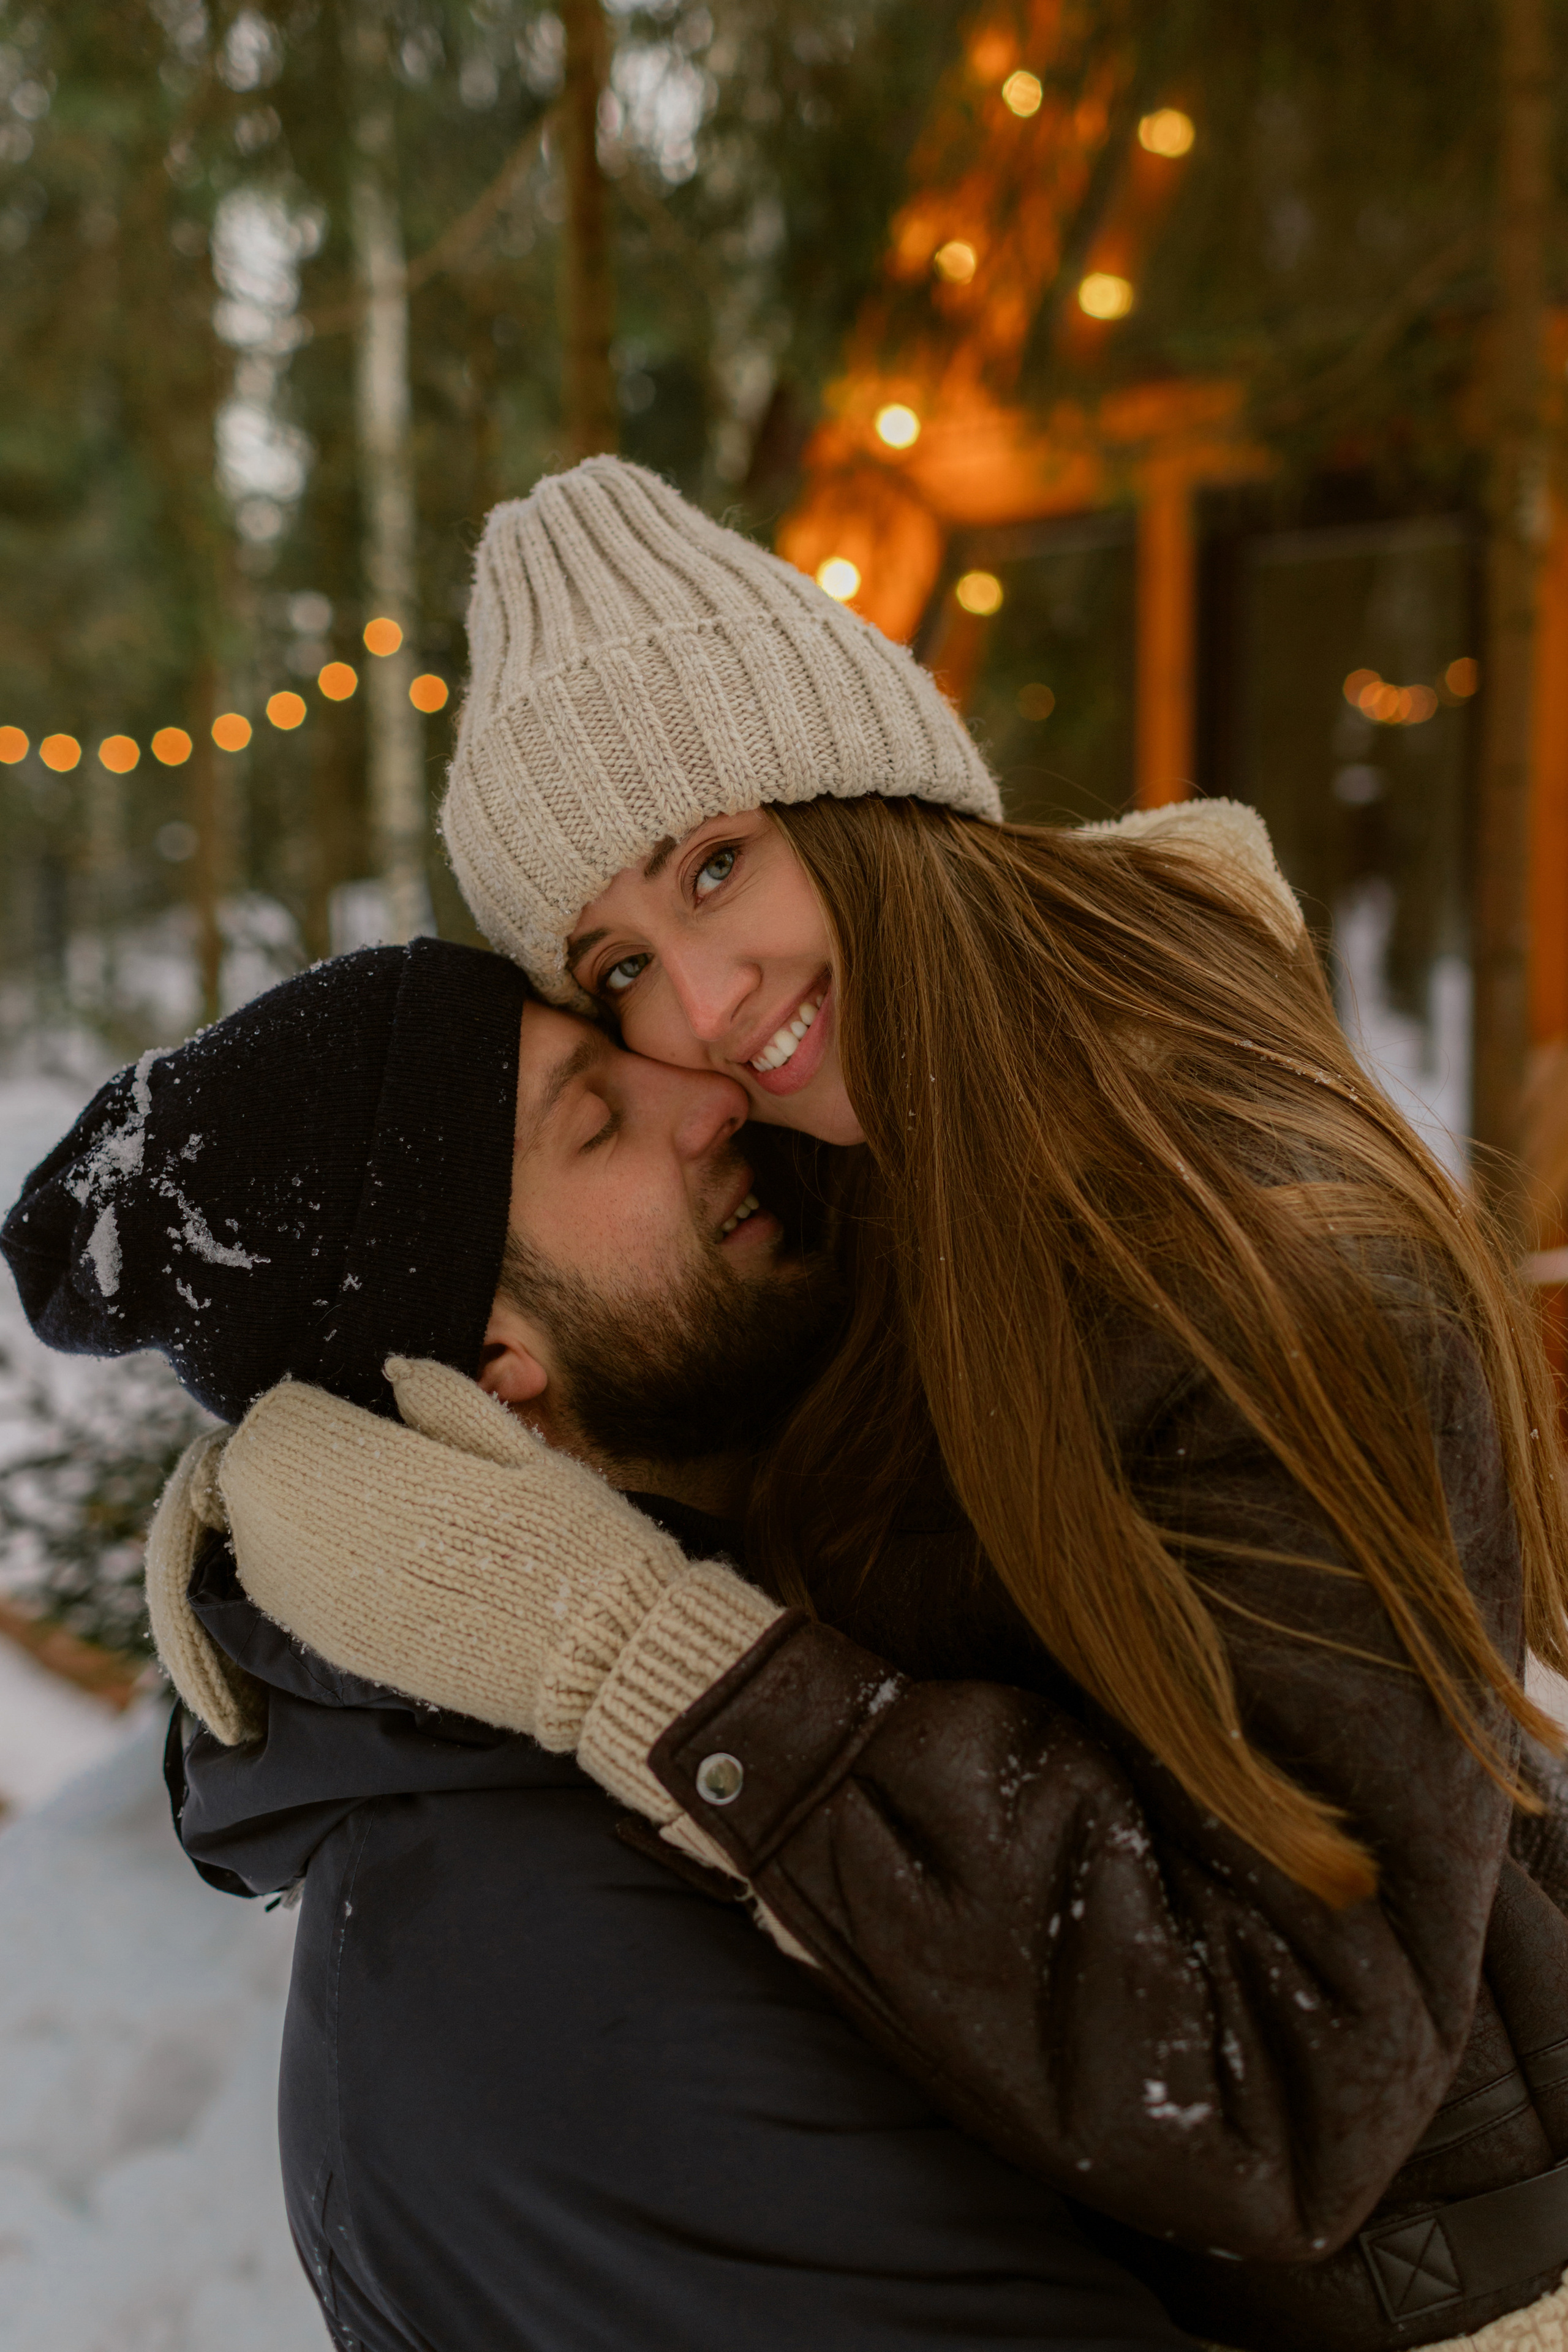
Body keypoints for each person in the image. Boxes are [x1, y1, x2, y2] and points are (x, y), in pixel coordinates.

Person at [200, 457, 1568, 2352]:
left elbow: (1293, 2086)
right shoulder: (853, 1171)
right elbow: (610, 1348)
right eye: (618, 968)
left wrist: (641, 1654)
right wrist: (316, 1456)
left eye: (713, 859)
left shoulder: (1264, 1258)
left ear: (870, 783)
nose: (705, 996)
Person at [1, 938, 1187, 2352]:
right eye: (598, 1120)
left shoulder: (725, 1695)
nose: (710, 1100)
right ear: (495, 1371)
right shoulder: (545, 1999)